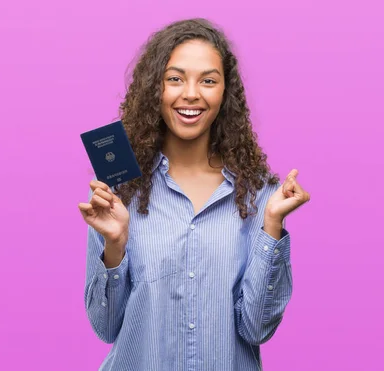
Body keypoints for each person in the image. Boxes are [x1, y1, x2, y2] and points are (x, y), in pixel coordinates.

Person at [78, 18, 310, 371]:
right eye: (175, 78)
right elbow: (105, 328)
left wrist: (273, 225)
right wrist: (115, 245)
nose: (191, 93)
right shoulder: (118, 191)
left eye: (208, 80)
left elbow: (257, 328)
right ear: (155, 88)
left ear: (224, 93)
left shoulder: (260, 195)